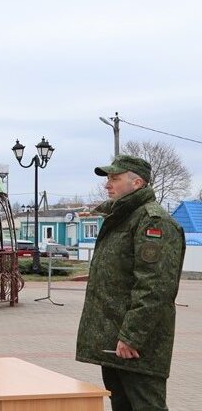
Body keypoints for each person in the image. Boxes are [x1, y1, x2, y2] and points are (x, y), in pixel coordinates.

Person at [76, 155, 185, 411]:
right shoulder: (122, 218)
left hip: (136, 345)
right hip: (114, 340)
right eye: (108, 179)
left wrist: (132, 337)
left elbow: (155, 288)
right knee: (122, 405)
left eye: (114, 178)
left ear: (137, 183)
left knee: (147, 406)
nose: (107, 185)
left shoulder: (152, 222)